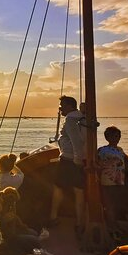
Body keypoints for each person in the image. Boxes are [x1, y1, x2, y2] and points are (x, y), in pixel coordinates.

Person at [49, 95, 86, 232]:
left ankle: (53, 218)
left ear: (70, 106)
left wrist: (77, 161)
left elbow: (76, 141)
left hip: (69, 160)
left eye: (62, 106)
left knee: (58, 188)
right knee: (79, 191)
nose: (60, 109)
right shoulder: (81, 118)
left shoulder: (70, 119)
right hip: (77, 159)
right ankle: (79, 222)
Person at [97, 126, 128, 232]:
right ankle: (111, 227)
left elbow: (126, 158)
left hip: (119, 181)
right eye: (114, 136)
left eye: (118, 136)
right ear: (107, 137)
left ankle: (114, 224)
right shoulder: (102, 150)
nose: (117, 138)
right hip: (108, 182)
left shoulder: (119, 149)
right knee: (109, 205)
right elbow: (97, 162)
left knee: (117, 204)